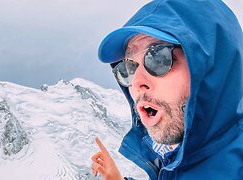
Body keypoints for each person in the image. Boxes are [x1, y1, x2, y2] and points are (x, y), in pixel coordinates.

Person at [90, 0, 243, 179]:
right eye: (128, 68)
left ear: (212, 67)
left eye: (158, 58)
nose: (137, 82)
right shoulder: (176, 160)